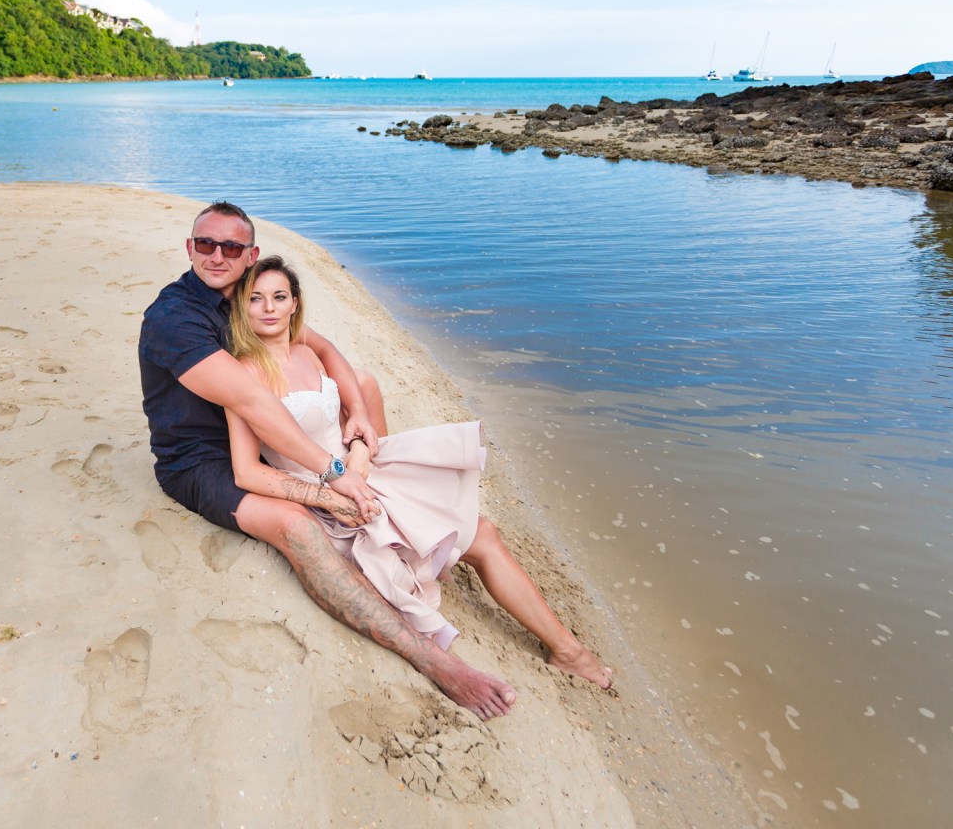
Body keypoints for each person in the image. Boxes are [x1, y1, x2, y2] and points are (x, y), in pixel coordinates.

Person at [138, 201, 517, 719]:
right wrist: (332, 474)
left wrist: (358, 412)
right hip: (201, 460)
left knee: (362, 387)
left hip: (259, 437)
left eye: (231, 247)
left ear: (250, 256)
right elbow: (254, 404)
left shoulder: (248, 297)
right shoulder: (175, 318)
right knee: (296, 526)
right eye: (206, 244)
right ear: (190, 248)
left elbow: (325, 347)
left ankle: (402, 535)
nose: (217, 255)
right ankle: (428, 657)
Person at [225, 255, 613, 689]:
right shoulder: (243, 373)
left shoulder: (309, 353)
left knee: (483, 532)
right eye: (256, 299)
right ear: (242, 308)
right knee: (475, 535)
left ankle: (567, 651)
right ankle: (569, 651)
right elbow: (245, 471)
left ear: (295, 303)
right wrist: (333, 493)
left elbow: (350, 401)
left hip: (362, 472)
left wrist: (358, 446)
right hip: (331, 506)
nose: (268, 307)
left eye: (279, 296)